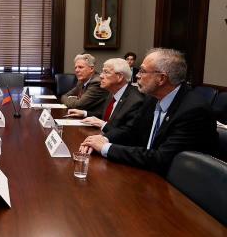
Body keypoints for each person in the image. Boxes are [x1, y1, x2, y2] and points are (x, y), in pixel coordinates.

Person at [80, 48, 218, 175]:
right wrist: (104, 138)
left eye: (142, 71)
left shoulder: (193, 110)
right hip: (148, 174)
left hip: (179, 187)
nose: (137, 76)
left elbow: (160, 158)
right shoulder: (152, 99)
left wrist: (106, 148)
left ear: (161, 78)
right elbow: (131, 131)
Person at [67, 58, 144, 143]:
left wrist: (103, 125)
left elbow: (128, 135)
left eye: (106, 72)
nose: (101, 76)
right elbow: (109, 116)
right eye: (102, 72)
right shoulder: (112, 92)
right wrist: (84, 113)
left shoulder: (135, 101)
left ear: (119, 77)